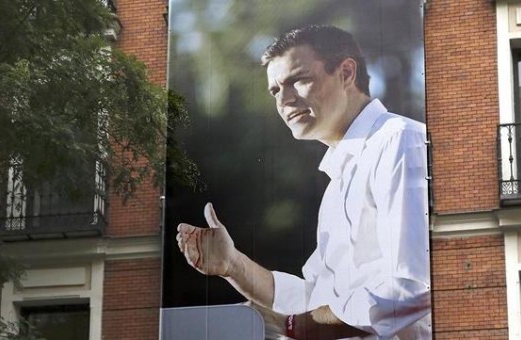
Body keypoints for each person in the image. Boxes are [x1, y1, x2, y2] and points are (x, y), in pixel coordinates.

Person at [176, 25, 431, 339]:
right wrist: (234, 266)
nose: (284, 100)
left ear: (347, 73)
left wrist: (295, 326)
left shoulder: (399, 142)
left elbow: (414, 285)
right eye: (275, 90)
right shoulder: (340, 177)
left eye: (298, 79)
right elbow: (318, 300)